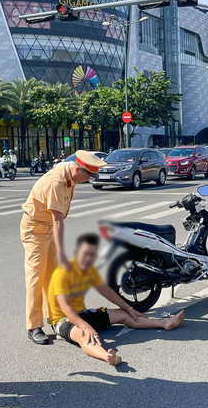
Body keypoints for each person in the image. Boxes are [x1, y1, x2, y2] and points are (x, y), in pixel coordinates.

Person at [50, 233, 185, 365]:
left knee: (123, 314)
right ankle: (107, 356)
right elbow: (66, 309)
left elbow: (106, 291)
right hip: (63, 320)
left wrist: (130, 309)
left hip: (82, 314)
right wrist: (85, 326)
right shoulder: (62, 273)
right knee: (82, 333)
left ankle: (164, 323)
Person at [21, 150, 107, 345]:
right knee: (36, 276)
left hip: (47, 228)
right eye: (88, 175)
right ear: (77, 169)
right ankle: (33, 326)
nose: (89, 179)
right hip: (35, 229)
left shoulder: (70, 177)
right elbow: (58, 221)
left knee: (52, 276)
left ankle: (55, 317)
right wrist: (62, 253)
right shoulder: (57, 182)